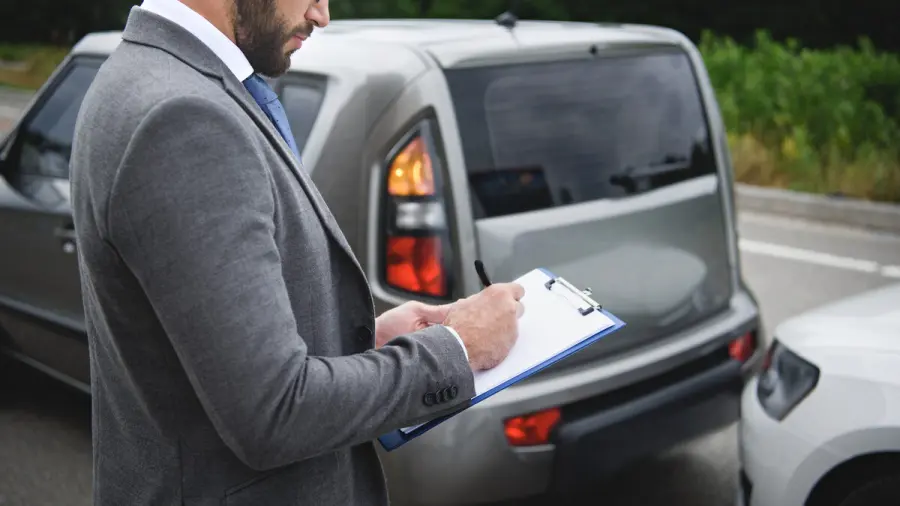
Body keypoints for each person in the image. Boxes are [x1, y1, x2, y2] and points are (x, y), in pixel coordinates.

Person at [68, 0, 525, 504]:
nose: (321, 13)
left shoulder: (144, 74)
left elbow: (200, 350)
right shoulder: (184, 116)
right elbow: (274, 413)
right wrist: (459, 348)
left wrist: (364, 340)